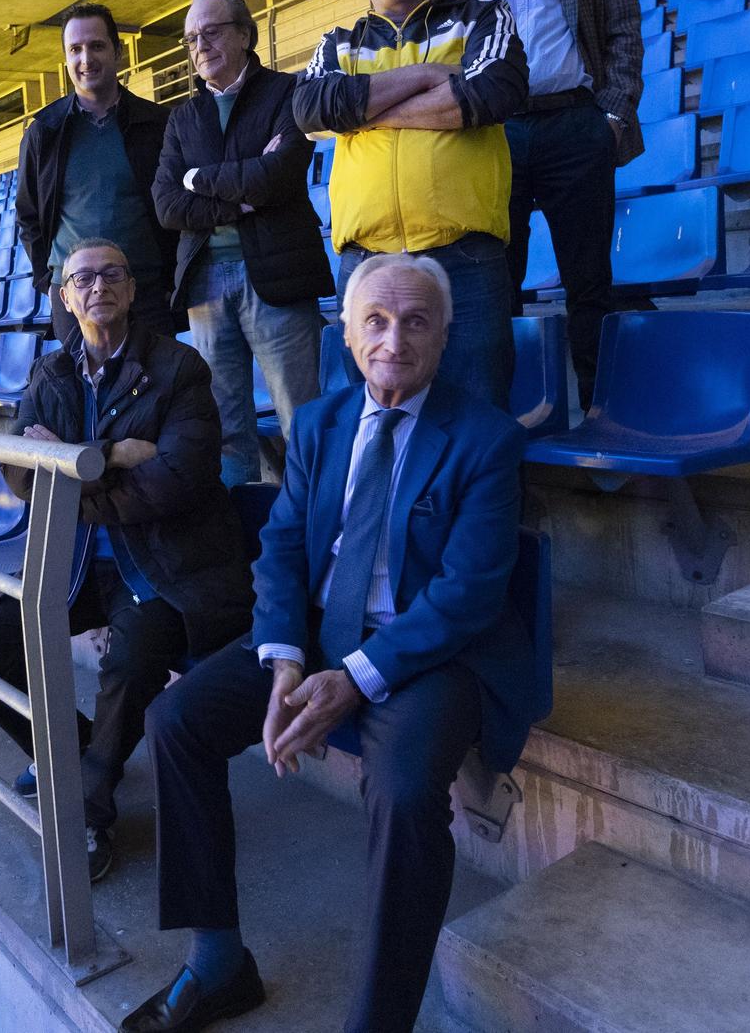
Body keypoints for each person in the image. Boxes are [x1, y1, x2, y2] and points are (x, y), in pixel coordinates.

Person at [121, 253, 533, 1033]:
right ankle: (218, 961)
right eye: (374, 320)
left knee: (407, 792)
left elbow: (468, 592)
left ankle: (378, 1023)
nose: (394, 339)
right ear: (345, 335)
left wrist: (353, 675)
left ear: (446, 337)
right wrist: (280, 657)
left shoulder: (486, 439)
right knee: (176, 722)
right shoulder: (318, 424)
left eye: (416, 321)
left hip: (427, 655)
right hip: (310, 634)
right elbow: (280, 549)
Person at [0, 238, 254, 883]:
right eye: (82, 278)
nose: (97, 286)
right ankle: (78, 750)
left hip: (165, 567)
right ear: (64, 297)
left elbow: (179, 478)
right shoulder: (50, 374)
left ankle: (89, 812)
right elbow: (24, 474)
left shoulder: (179, 368)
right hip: (80, 563)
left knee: (130, 660)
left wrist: (71, 467)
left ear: (132, 289)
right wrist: (110, 456)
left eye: (111, 273)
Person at [293, 0, 529, 408]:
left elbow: (491, 92)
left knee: (478, 416)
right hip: (365, 263)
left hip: (464, 258)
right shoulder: (336, 43)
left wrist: (360, 116)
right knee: (376, 420)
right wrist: (425, 76)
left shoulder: (484, 18)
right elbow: (311, 109)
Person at [441, 0, 644, 410]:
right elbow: (456, 61)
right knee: (496, 284)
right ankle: (514, 413)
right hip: (496, 136)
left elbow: (625, 30)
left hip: (577, 125)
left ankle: (603, 410)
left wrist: (610, 117)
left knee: (589, 283)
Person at [151, 0, 333, 486]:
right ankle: (239, 541)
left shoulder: (286, 91)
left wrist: (201, 179)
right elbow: (167, 204)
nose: (200, 46)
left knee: (302, 417)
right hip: (206, 283)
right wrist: (244, 189)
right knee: (225, 426)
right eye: (192, 38)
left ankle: (312, 538)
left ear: (244, 34)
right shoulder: (183, 118)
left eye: (211, 32)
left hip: (276, 274)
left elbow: (281, 174)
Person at [16, 4, 178, 340]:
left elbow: (174, 203)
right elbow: (29, 215)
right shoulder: (44, 132)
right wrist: (48, 282)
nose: (85, 59)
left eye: (97, 46)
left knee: (154, 390)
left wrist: (170, 278)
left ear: (118, 52)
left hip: (144, 291)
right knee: (85, 391)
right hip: (75, 295)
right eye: (75, 49)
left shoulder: (157, 124)